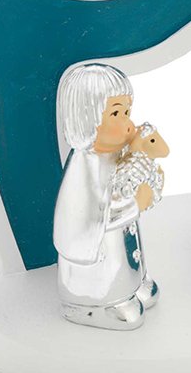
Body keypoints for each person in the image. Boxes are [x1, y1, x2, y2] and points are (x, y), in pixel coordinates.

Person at [52, 61, 169, 328]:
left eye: (127, 112)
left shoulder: (113, 155)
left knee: (132, 272)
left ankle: (132, 283)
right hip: (96, 260)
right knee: (129, 312)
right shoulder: (85, 167)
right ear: (87, 118)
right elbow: (94, 215)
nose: (128, 123)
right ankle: (90, 304)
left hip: (121, 252)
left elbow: (124, 181)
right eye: (116, 114)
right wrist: (136, 203)